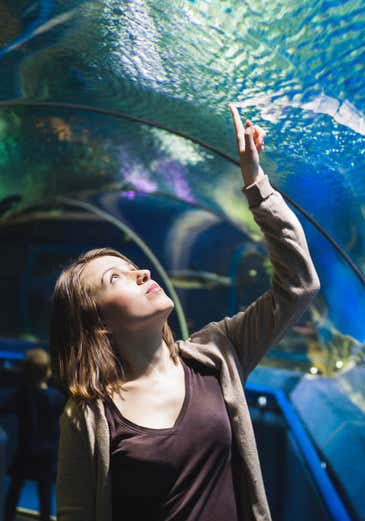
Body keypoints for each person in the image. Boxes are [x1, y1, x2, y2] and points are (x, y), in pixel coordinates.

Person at [51, 107, 321, 521]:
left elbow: (299, 284)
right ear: (98, 325)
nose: (141, 271)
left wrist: (256, 184)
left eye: (132, 265)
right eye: (115, 278)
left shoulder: (217, 354)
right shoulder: (89, 415)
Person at [0, 347, 66, 521]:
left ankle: (7, 517)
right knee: (45, 492)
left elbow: (2, 409)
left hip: (25, 451)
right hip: (47, 454)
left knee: (15, 488)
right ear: (48, 372)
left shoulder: (22, 395)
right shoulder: (56, 398)